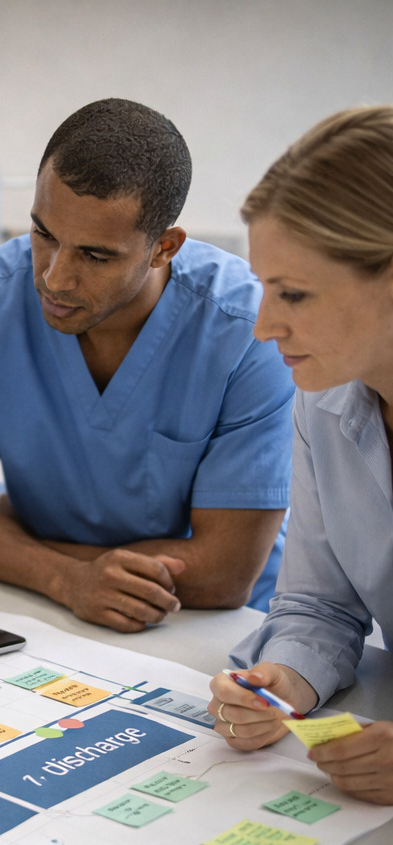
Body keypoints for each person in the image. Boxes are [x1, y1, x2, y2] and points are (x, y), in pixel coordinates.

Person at [0, 98, 294, 634]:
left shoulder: (246, 331)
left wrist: (31, 555)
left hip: (221, 627)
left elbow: (225, 571)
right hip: (54, 605)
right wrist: (67, 580)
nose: (55, 279)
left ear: (163, 248)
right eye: (43, 234)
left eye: (95, 255)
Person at [208, 106, 393, 806]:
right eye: (262, 287)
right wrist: (285, 678)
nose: (263, 326)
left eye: (294, 294)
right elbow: (321, 603)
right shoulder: (326, 394)